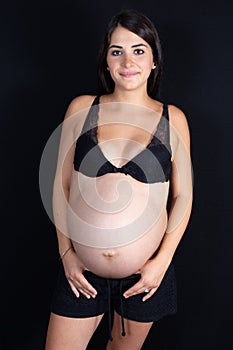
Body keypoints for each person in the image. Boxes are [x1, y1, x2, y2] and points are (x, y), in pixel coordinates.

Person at [45, 9, 193, 350]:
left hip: (145, 278)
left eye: (138, 50)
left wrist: (162, 262)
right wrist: (66, 252)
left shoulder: (174, 119)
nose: (128, 60)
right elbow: (60, 185)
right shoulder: (82, 109)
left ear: (154, 60)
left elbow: (183, 197)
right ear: (107, 61)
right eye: (117, 51)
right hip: (80, 273)